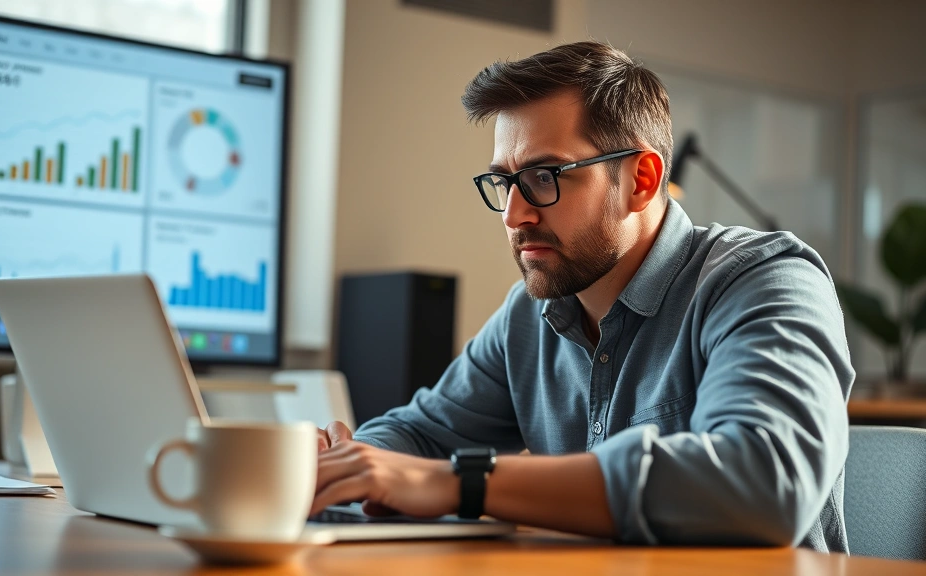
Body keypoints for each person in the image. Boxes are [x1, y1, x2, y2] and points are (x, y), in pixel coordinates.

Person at [312, 40, 853, 551]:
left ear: (641, 180)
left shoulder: (765, 280)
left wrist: (465, 483)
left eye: (544, 176)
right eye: (504, 182)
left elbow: (765, 479)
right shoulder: (527, 316)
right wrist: (341, 466)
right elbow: (421, 435)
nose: (514, 215)